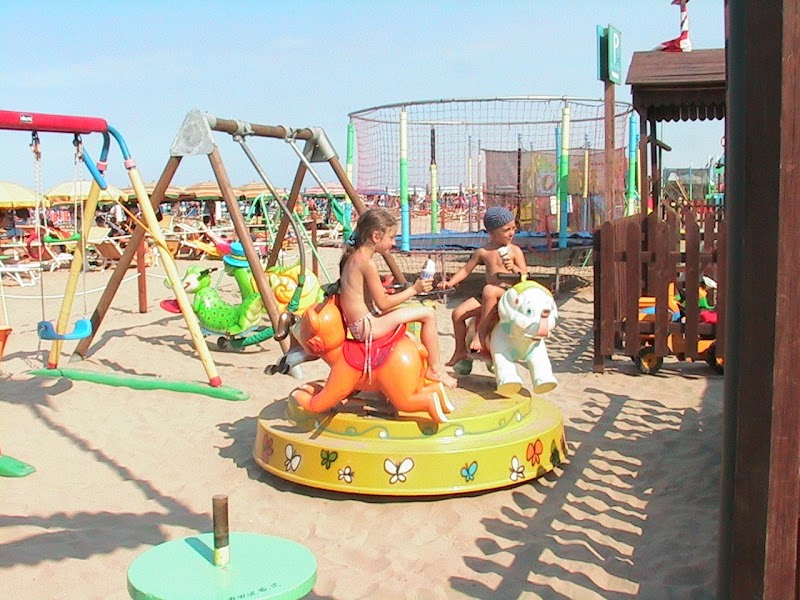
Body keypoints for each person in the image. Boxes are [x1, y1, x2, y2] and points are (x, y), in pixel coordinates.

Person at [339, 207, 457, 389]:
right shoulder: (367, 263)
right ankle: (435, 369)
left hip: (360, 323)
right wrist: (415, 289)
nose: (393, 243)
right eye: (391, 237)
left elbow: (370, 298)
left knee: (406, 317)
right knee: (428, 314)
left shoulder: (354, 257)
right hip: (367, 327)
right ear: (376, 237)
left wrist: (388, 290)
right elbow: (383, 304)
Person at [441, 205, 527, 365]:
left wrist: (513, 268)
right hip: (488, 297)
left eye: (513, 228)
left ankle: (480, 335)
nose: (511, 233)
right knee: (457, 314)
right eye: (506, 229)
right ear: (492, 232)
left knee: (489, 290)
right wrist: (450, 282)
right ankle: (460, 351)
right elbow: (466, 269)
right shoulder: (484, 251)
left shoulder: (515, 251)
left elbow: (524, 276)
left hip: (508, 295)